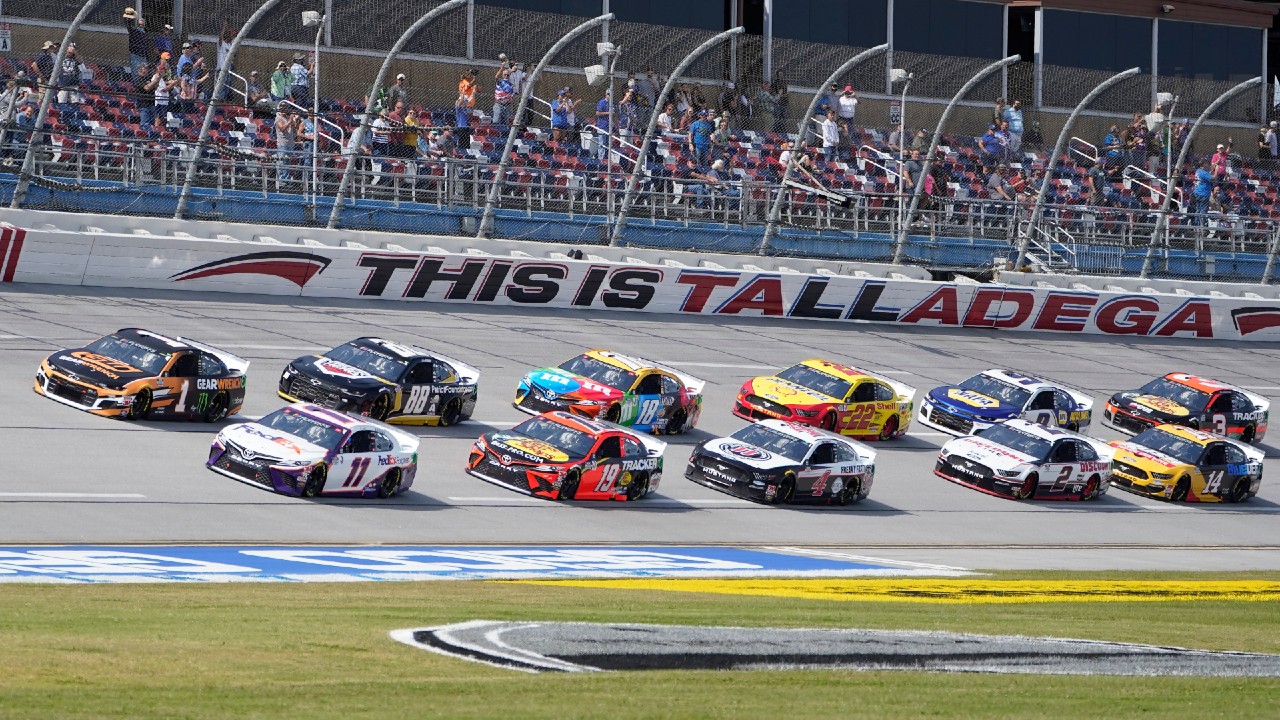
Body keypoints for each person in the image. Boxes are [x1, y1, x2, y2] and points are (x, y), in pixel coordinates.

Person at [125, 8, 149, 78]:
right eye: (140, 25)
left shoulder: (144, 34)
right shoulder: (134, 31)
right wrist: (130, 18)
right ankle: (135, 84)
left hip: (143, 56)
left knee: (144, 72)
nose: (141, 26)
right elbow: (128, 27)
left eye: (142, 25)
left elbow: (145, 46)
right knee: (135, 71)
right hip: (135, 55)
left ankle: (142, 83)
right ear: (137, 24)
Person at [1191, 158, 1213, 225]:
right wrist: (1217, 171)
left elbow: (1207, 175)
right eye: (1206, 163)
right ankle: (1201, 225)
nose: (1208, 165)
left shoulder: (1198, 171)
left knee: (1198, 209)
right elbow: (1213, 178)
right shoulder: (1203, 172)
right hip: (1203, 193)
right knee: (1203, 210)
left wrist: (1212, 170)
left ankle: (1197, 224)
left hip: (1197, 192)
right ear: (1203, 164)